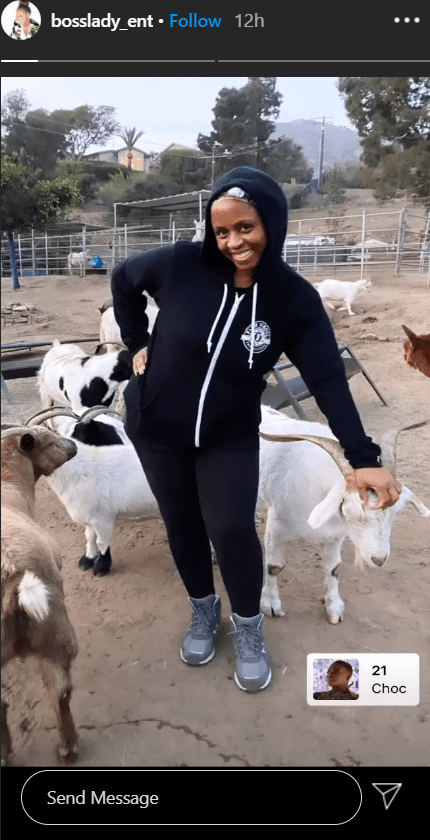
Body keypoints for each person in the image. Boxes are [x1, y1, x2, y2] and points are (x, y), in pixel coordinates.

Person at [111, 166, 399, 693]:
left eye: (245, 227)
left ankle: (247, 626)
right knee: (181, 522)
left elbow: (329, 381)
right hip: (156, 426)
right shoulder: (179, 265)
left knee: (231, 527)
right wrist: (136, 341)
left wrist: (363, 455)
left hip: (228, 434)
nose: (233, 241)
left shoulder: (293, 300)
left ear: (271, 222)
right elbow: (124, 280)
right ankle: (203, 612)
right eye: (221, 231)